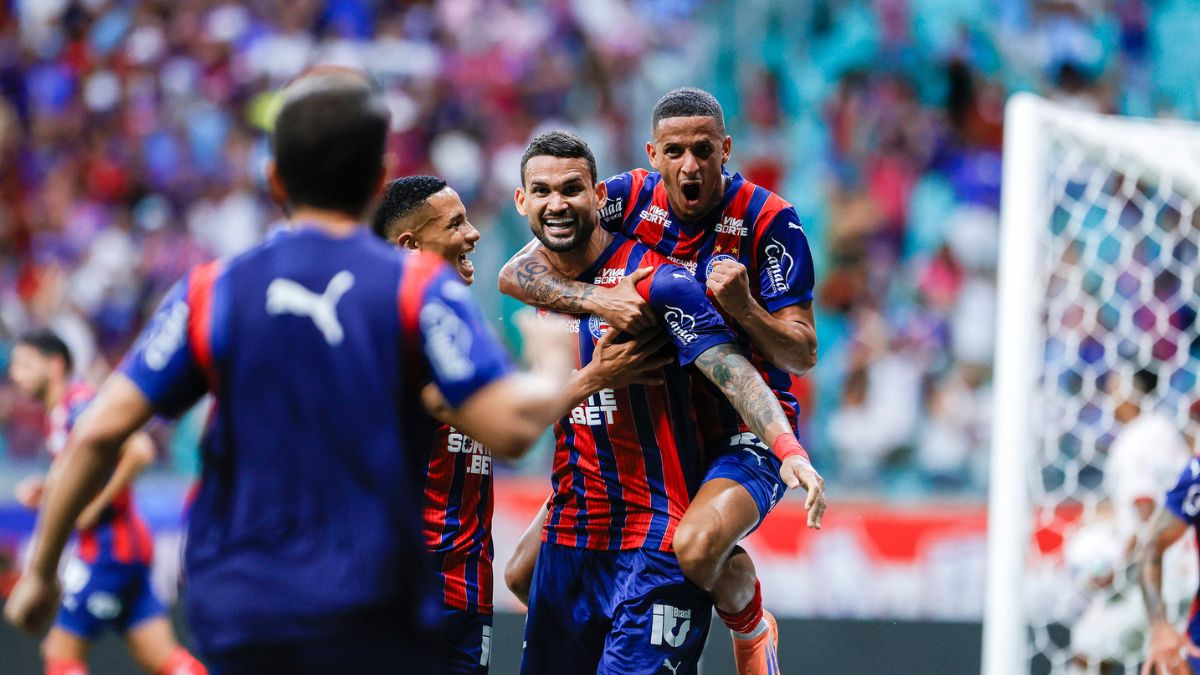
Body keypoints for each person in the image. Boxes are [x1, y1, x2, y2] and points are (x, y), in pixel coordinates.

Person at [4, 67, 569, 675]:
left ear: (276, 179)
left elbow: (97, 433)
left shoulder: (211, 292)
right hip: (368, 607)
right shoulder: (415, 289)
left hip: (242, 605)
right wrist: (553, 355)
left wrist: (39, 573)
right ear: (377, 179)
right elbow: (512, 429)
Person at [499, 87, 819, 673]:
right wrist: (599, 301)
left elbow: (802, 354)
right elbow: (520, 271)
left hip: (739, 423)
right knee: (522, 571)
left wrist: (745, 309)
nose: (689, 166)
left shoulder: (769, 220)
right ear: (653, 154)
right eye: (675, 152)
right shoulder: (623, 198)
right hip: (657, 418)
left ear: (726, 150)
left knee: (695, 549)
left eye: (703, 150)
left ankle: (747, 627)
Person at [370, 175, 671, 673]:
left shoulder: (451, 324)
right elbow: (513, 426)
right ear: (411, 246)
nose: (473, 234)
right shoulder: (397, 333)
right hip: (408, 599)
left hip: (462, 593)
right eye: (455, 224)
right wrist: (590, 373)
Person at [8, 330, 206, 675]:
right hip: (128, 548)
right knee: (160, 657)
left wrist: (93, 508)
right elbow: (86, 473)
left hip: (108, 550)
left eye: (26, 363)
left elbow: (140, 451)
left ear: (55, 366)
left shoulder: (79, 405)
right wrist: (49, 489)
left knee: (60, 651)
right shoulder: (61, 414)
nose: (16, 373)